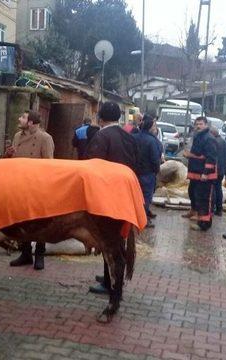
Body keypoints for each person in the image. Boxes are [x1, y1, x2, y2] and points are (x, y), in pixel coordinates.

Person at [85, 101, 138, 295]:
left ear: (101, 118)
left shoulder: (102, 136)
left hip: (106, 194)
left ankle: (110, 283)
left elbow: (93, 166)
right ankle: (109, 275)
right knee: (118, 238)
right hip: (125, 192)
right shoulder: (129, 137)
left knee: (108, 239)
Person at [6, 110, 55, 270]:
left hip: (38, 186)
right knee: (22, 220)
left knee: (40, 222)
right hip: (20, 185)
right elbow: (11, 162)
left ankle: (40, 254)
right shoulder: (17, 136)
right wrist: (7, 155)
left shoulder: (45, 138)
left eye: (23, 117)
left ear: (31, 122)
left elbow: (49, 164)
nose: (20, 119)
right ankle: (26, 253)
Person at [183, 117, 218, 231]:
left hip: (204, 175)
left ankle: (205, 223)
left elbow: (211, 158)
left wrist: (206, 173)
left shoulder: (209, 138)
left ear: (206, 125)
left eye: (201, 124)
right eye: (197, 124)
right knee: (196, 195)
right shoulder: (198, 137)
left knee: (205, 199)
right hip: (196, 173)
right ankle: (200, 219)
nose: (198, 126)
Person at [132, 115, 161, 228]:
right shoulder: (152, 141)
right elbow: (155, 159)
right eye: (154, 126)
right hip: (147, 173)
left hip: (133, 172)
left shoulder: (133, 137)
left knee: (135, 196)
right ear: (151, 128)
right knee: (146, 197)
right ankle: (143, 220)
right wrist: (156, 170)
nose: (156, 128)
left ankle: (133, 217)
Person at [211, 127, 226, 216]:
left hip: (215, 169)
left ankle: (212, 209)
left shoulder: (214, 142)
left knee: (213, 189)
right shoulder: (223, 141)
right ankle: (219, 209)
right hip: (221, 169)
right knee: (218, 188)